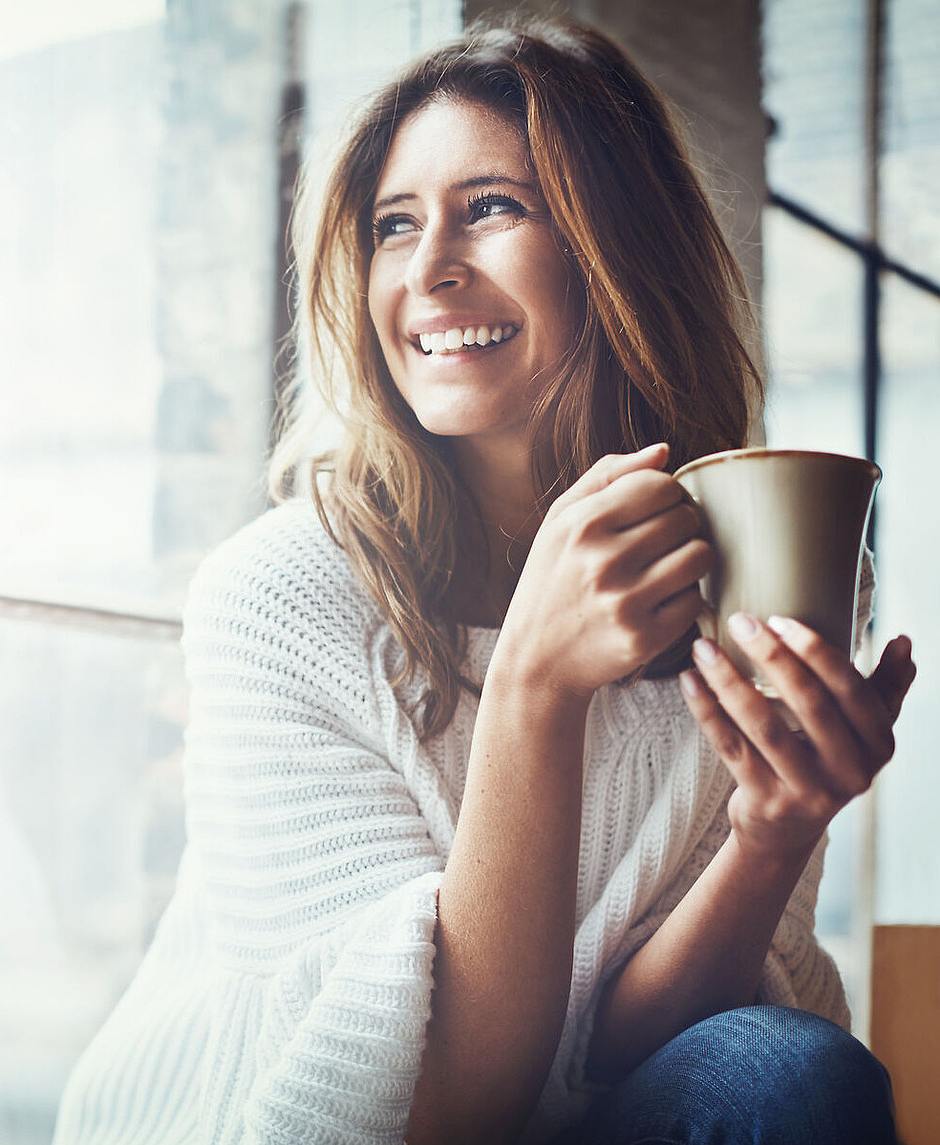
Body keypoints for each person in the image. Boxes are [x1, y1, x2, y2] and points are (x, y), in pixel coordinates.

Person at [52, 17, 917, 1145]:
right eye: (394, 225)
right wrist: (533, 687)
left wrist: (771, 829)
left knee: (787, 1072)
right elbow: (438, 1108)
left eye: (494, 207)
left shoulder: (745, 583)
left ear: (620, 253)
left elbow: (619, 1055)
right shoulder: (279, 597)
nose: (427, 269)